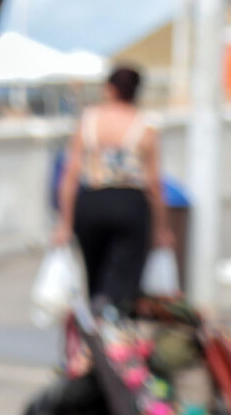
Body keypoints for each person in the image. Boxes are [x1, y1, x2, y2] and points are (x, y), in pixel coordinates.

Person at [52, 64, 170, 312]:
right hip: (131, 204)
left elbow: (69, 177)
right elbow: (154, 184)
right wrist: (162, 228)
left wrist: (64, 223)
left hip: (92, 203)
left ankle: (97, 327)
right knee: (125, 281)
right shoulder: (145, 126)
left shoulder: (88, 121)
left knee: (94, 275)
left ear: (110, 89)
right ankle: (117, 330)